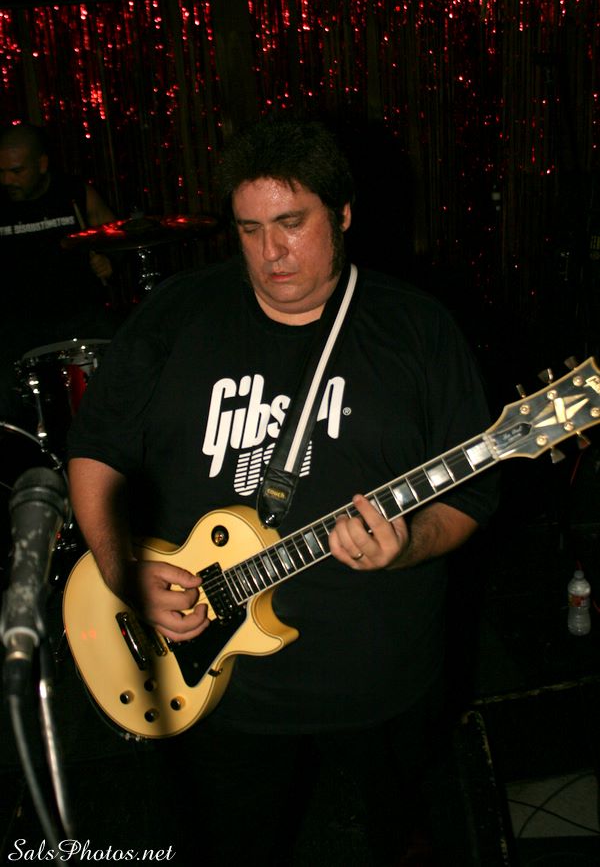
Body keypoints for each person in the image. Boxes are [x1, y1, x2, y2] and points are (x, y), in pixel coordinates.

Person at [66, 118, 498, 865]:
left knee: (404, 840)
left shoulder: (417, 328)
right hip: (212, 685)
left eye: (292, 224)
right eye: (250, 229)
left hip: (381, 679)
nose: (271, 253)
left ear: (343, 213)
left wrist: (407, 547)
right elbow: (95, 451)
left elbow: (472, 498)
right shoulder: (177, 313)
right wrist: (120, 570)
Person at [0, 122, 118, 428]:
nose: (7, 180)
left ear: (41, 164)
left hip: (80, 313)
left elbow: (117, 238)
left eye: (16, 171)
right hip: (18, 321)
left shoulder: (74, 193)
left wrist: (108, 259)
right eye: (2, 172)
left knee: (124, 356)